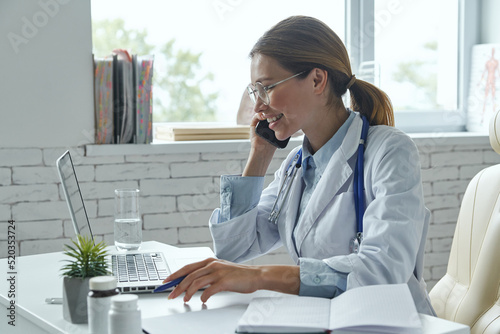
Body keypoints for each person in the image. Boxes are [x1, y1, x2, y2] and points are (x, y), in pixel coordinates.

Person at [165, 15, 436, 316]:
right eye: (255, 92)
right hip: (324, 318)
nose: (257, 106)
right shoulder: (296, 166)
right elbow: (233, 248)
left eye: (266, 88)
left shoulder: (390, 150)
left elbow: (383, 271)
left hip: (391, 320)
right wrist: (260, 154)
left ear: (318, 80)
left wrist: (259, 277)